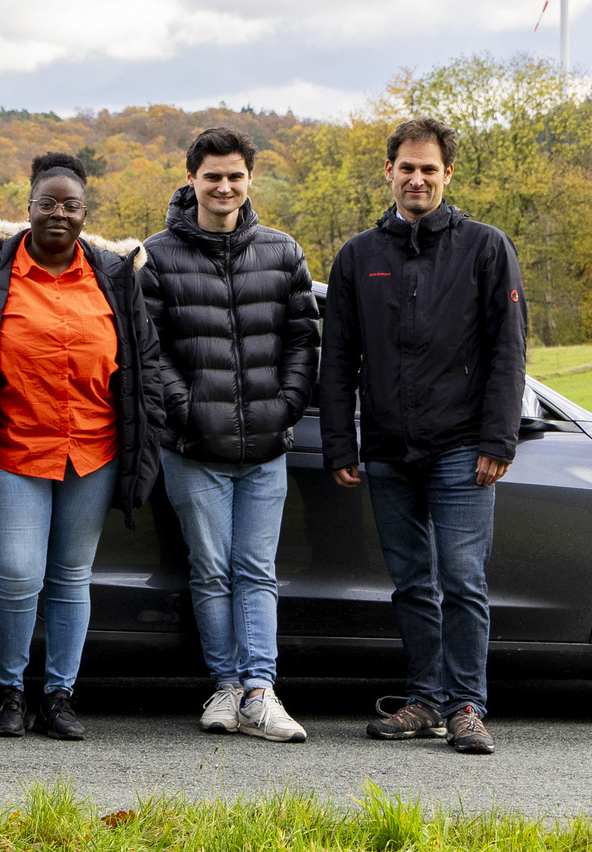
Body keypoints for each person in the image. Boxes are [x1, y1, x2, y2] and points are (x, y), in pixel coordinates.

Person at [0, 151, 164, 741]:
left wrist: (157, 423)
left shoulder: (114, 275)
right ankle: (11, 692)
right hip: (14, 448)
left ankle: (61, 696)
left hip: (93, 449)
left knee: (72, 578)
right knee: (19, 575)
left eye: (71, 206)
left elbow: (143, 360)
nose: (59, 214)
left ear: (84, 212)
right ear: (28, 206)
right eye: (48, 203)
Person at [320, 118, 524, 756]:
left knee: (463, 579)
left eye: (429, 169)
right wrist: (340, 445)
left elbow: (508, 353)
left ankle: (466, 705)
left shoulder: (486, 248)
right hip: (387, 449)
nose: (417, 178)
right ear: (389, 172)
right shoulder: (359, 255)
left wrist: (498, 440)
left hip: (463, 446)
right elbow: (339, 359)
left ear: (447, 175)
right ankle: (425, 701)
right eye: (406, 167)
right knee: (411, 582)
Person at [139, 128, 318, 743]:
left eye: (234, 176)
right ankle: (225, 687)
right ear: (191, 179)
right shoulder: (157, 256)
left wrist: (287, 404)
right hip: (193, 447)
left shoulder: (282, 251)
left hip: (266, 447)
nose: (223, 187)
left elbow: (303, 340)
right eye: (211, 176)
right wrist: (187, 412)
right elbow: (149, 351)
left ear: (249, 180)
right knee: (210, 569)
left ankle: (260, 692)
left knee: (256, 569)